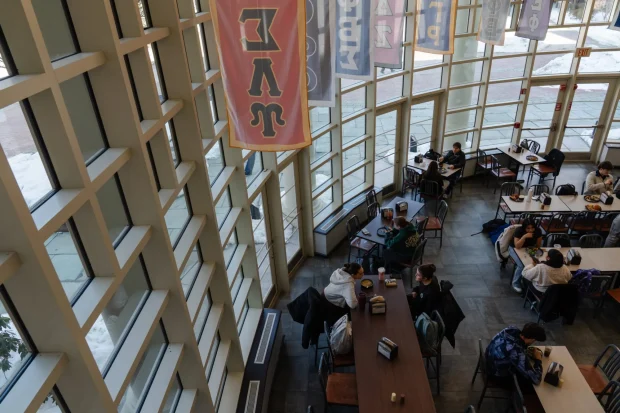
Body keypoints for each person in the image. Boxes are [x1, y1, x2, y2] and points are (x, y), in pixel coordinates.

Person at [486, 323, 547, 392]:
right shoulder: (516, 351)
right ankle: (516, 397)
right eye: (535, 340)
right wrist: (538, 360)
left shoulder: (511, 329)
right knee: (532, 386)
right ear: (532, 339)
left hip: (489, 361)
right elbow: (536, 379)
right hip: (495, 375)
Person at [510, 219, 543, 293]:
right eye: (528, 228)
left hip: (529, 248)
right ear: (524, 227)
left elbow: (538, 245)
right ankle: (515, 283)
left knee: (536, 262)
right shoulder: (519, 231)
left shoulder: (538, 231)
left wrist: (532, 251)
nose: (530, 230)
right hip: (514, 248)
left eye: (532, 228)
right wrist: (524, 237)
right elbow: (517, 246)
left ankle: (529, 280)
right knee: (521, 265)